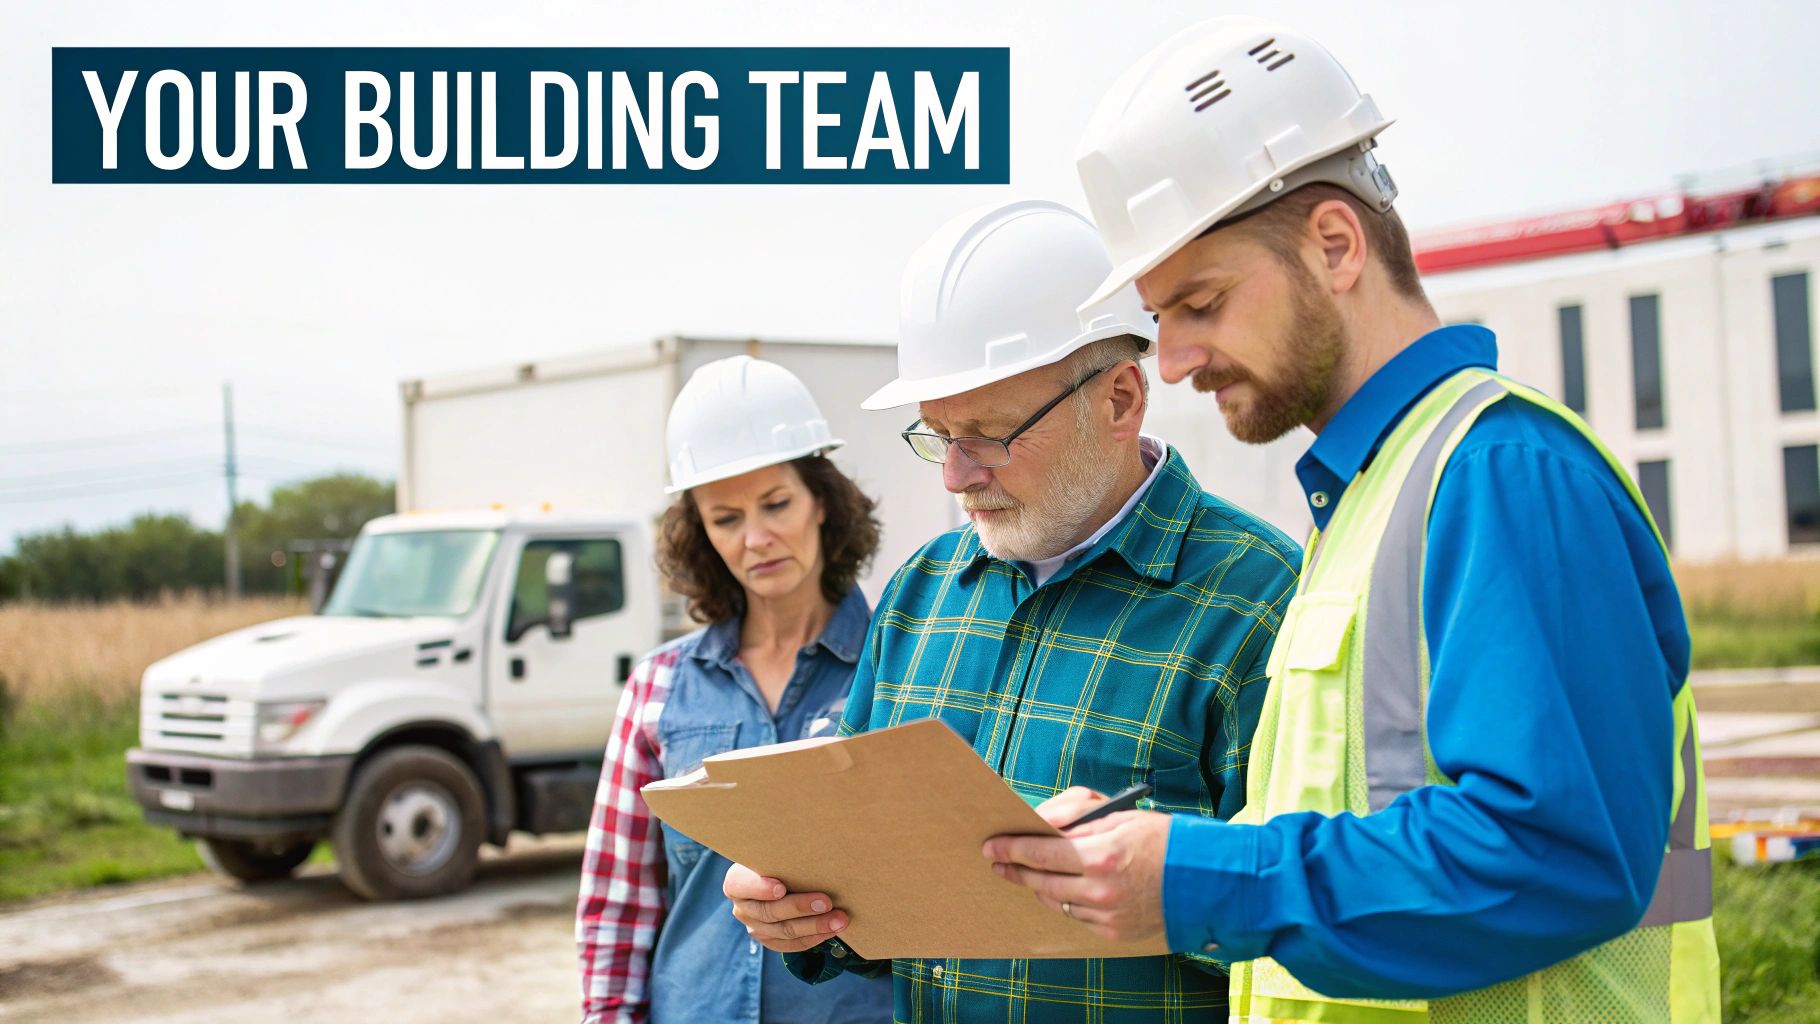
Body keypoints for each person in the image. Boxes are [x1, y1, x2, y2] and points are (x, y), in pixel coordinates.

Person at [982, 16, 1721, 1023]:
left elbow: (1557, 850)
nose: (1171, 362)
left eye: (1198, 302)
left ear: (1333, 243)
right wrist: (1148, 846)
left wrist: (1202, 876)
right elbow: (1361, 816)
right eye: (1159, 319)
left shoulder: (1500, 473)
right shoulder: (1372, 496)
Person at [723, 199, 1303, 1022]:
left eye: (989, 435)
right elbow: (865, 880)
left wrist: (1169, 889)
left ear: (1119, 399)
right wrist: (804, 915)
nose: (955, 476)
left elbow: (1318, 926)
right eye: (937, 435)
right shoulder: (921, 594)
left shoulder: (1260, 600)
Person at [576, 355, 893, 1024]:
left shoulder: (900, 667)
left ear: (822, 502)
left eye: (776, 504)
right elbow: (618, 905)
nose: (756, 539)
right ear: (698, 532)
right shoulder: (656, 689)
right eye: (725, 518)